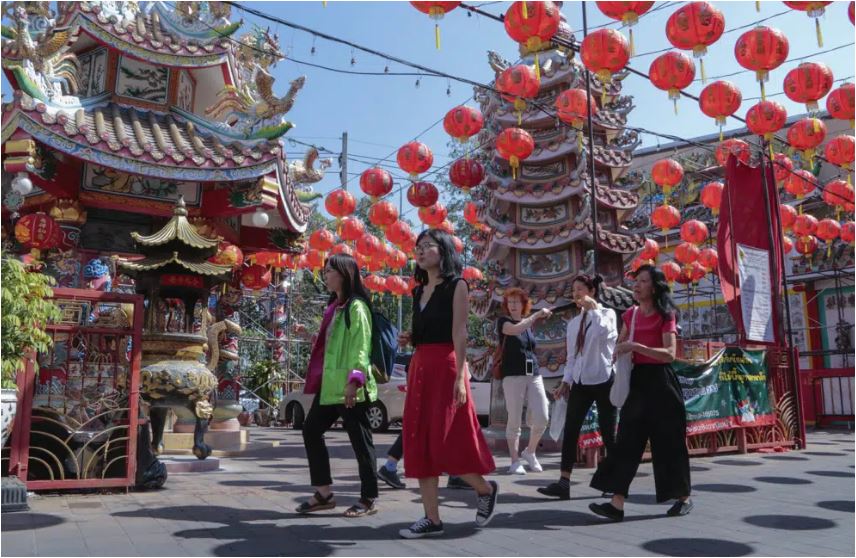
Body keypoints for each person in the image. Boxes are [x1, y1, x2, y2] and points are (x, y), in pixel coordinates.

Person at [398, 229, 498, 539]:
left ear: (443, 252)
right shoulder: (417, 291)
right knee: (420, 442)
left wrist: (460, 377)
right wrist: (412, 338)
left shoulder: (457, 286)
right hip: (420, 366)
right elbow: (426, 331)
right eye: (419, 246)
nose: (421, 250)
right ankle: (432, 519)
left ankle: (485, 489)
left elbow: (459, 333)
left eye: (428, 246)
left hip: (446, 366)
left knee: (446, 441)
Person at [589, 264, 692, 521]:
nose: (637, 285)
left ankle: (682, 497)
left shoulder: (666, 314)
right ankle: (616, 503)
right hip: (638, 383)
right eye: (636, 281)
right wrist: (618, 351)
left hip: (662, 383)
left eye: (643, 281)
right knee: (626, 441)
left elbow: (669, 354)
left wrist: (637, 346)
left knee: (669, 442)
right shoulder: (630, 316)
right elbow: (621, 344)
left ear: (655, 286)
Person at [296, 254, 379, 518]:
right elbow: (331, 346)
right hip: (331, 386)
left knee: (361, 443)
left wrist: (354, 382)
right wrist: (308, 336)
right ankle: (324, 493)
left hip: (350, 388)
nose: (325, 274)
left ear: (343, 274)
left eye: (329, 270)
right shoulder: (335, 307)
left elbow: (361, 348)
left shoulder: (357, 307)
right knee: (310, 430)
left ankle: (368, 499)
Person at [538, 274, 618, 500]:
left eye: (580, 289)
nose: (576, 294)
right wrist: (565, 382)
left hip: (603, 378)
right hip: (581, 381)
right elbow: (572, 357)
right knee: (571, 429)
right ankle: (563, 482)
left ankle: (614, 481)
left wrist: (594, 310)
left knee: (608, 432)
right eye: (573, 290)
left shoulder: (607, 314)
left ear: (591, 291)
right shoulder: (573, 324)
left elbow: (608, 337)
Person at [496, 288, 551, 475]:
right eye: (509, 302)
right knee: (514, 419)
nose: (512, 305)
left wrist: (533, 319)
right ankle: (514, 461)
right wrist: (535, 316)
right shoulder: (504, 322)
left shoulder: (528, 325)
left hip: (533, 373)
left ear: (523, 304)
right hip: (512, 375)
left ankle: (530, 452)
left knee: (543, 416)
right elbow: (514, 330)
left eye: (516, 302)